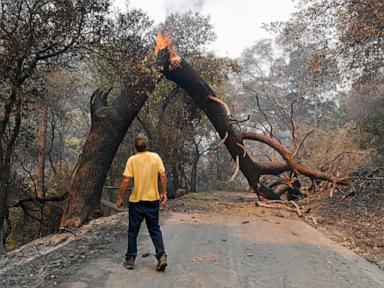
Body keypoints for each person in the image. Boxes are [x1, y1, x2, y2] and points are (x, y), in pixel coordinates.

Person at [116, 133, 168, 271]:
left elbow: (126, 180)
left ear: (135, 147)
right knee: (154, 229)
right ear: (147, 145)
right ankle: (161, 255)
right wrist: (164, 192)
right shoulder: (155, 157)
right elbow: (162, 174)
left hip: (137, 202)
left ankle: (130, 259)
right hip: (152, 201)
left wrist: (120, 197)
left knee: (133, 231)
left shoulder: (132, 160)